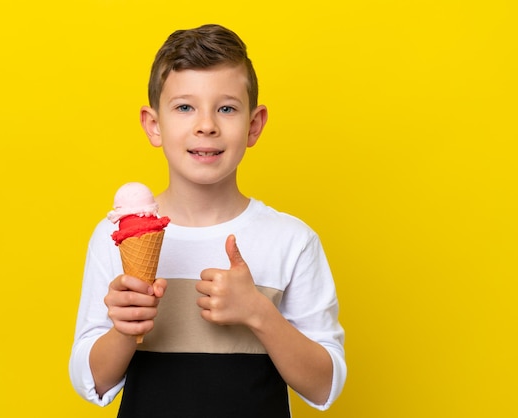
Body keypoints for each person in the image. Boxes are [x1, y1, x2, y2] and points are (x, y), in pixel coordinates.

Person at [69, 24, 346, 418]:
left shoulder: (291, 240)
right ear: (153, 124)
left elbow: (324, 386)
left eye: (227, 108)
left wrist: (258, 313)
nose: (206, 125)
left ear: (254, 125)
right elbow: (91, 383)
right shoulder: (114, 235)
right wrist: (125, 330)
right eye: (185, 107)